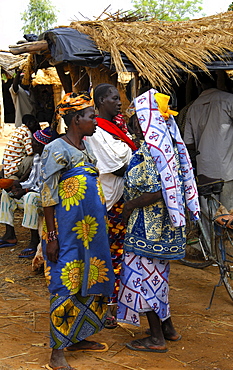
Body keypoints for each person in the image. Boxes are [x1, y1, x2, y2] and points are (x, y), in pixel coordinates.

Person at [117, 89, 200, 352]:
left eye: (135, 119)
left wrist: (129, 205)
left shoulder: (152, 151)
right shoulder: (166, 146)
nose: (132, 124)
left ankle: (156, 339)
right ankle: (168, 329)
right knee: (158, 278)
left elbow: (156, 190)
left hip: (148, 227)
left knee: (142, 279)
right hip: (163, 228)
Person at [40, 92, 114, 370]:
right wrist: (52, 236)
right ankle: (57, 353)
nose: (96, 121)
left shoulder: (86, 147)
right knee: (65, 283)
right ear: (75, 120)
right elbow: (47, 196)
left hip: (91, 232)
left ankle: (77, 336)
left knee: (89, 277)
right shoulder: (56, 149)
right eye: (91, 116)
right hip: (68, 232)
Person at [85, 83, 137, 328]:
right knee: (110, 256)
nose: (119, 103)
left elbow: (125, 155)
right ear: (100, 101)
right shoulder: (96, 131)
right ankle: (108, 308)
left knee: (121, 255)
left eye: (120, 98)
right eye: (114, 98)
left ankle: (116, 304)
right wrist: (138, 162)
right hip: (109, 202)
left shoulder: (116, 128)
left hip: (121, 200)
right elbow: (116, 165)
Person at [184, 72, 233, 211]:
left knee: (209, 216)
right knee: (229, 215)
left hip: (204, 170)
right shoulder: (228, 100)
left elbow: (188, 143)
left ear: (199, 84)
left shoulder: (192, 108)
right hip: (226, 169)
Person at [0, 128, 53, 257]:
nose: (31, 145)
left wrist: (25, 190)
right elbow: (31, 180)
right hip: (32, 191)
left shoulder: (51, 160)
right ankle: (9, 234)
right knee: (7, 193)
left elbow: (46, 186)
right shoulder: (36, 158)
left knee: (30, 197)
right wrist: (16, 186)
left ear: (42, 144)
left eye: (34, 143)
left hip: (45, 199)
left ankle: (34, 241)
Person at [2, 114, 40, 179]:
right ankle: (25, 178)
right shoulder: (27, 132)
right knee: (37, 156)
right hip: (14, 168)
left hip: (8, 168)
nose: (37, 125)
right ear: (29, 123)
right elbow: (30, 152)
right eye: (35, 123)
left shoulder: (19, 129)